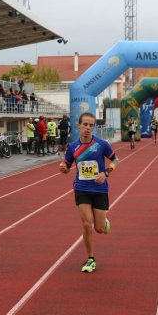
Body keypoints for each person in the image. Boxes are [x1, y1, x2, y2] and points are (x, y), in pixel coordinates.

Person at [59, 112, 118, 273]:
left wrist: (105, 173)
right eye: (85, 124)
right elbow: (67, 166)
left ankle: (104, 222)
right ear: (78, 125)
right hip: (81, 189)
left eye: (91, 125)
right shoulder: (72, 147)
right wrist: (63, 168)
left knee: (99, 228)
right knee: (86, 225)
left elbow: (115, 160)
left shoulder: (101, 144)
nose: (88, 128)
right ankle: (91, 259)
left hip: (99, 189)